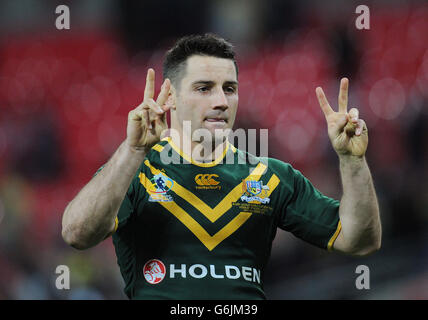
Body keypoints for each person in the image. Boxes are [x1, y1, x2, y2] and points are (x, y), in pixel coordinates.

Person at [61, 34, 381, 299]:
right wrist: (133, 150)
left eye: (230, 88)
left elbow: (359, 240)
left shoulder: (271, 177)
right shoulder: (135, 170)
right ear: (170, 97)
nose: (221, 102)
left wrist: (352, 161)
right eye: (204, 88)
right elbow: (77, 233)